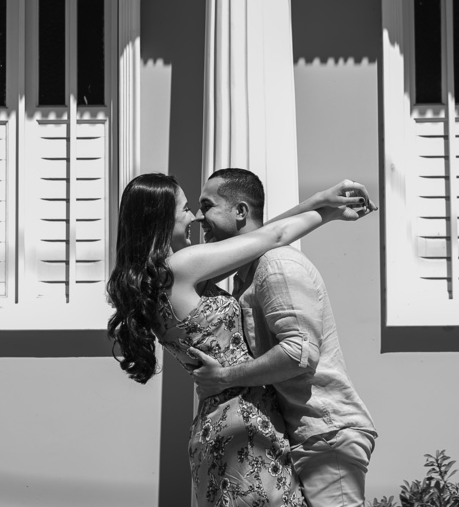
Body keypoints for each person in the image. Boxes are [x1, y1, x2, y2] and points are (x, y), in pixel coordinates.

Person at [106, 172, 375, 507]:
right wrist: (326, 209)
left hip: (213, 427)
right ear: (161, 218)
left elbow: (257, 238)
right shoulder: (183, 266)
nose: (194, 218)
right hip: (245, 425)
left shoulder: (154, 282)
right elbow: (273, 236)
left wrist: (320, 202)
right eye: (185, 209)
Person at [188, 168, 378, 507]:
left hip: (324, 434)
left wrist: (224, 377)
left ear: (240, 211)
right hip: (304, 435)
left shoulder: (276, 265)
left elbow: (298, 353)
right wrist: (319, 203)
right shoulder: (250, 270)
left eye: (207, 206)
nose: (199, 217)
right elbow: (268, 234)